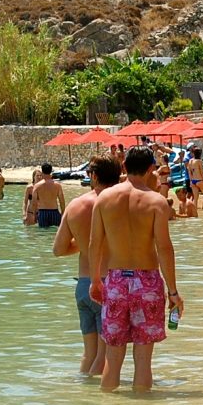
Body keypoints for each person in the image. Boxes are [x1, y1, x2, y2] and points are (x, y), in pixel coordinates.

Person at [88, 146, 182, 393]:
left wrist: (95, 280)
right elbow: (164, 248)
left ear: (124, 166)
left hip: (116, 280)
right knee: (143, 359)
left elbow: (94, 244)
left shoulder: (104, 199)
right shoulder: (157, 202)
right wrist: (173, 291)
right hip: (147, 281)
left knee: (112, 357)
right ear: (151, 169)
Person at [52, 154, 120, 376]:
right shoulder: (118, 204)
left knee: (89, 354)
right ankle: (98, 397)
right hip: (107, 283)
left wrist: (84, 245)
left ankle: (82, 390)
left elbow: (58, 249)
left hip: (83, 285)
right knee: (104, 356)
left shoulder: (76, 205)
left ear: (94, 176)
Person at [31, 163, 65, 228]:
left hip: (42, 213)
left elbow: (34, 202)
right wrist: (63, 213)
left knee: (43, 233)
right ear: (51, 171)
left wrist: (34, 215)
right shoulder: (57, 186)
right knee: (55, 232)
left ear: (42, 172)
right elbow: (62, 201)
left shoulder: (37, 186)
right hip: (55, 212)